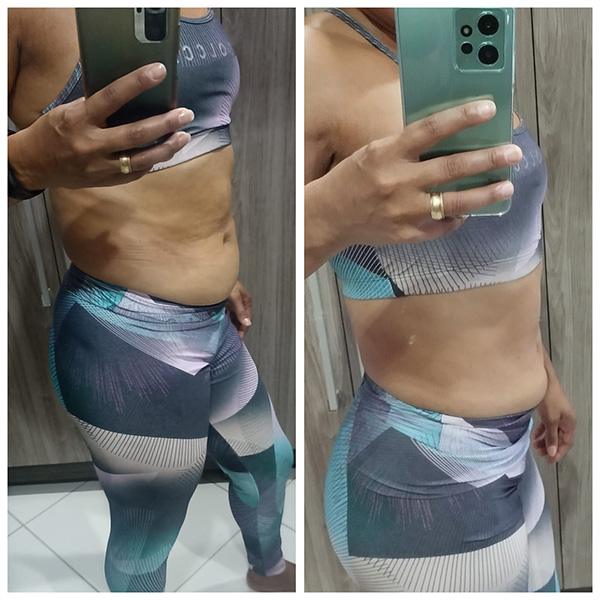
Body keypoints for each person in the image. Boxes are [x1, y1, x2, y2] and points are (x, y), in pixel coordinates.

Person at [8, 7, 294, 593]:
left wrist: (216, 268)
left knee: (271, 461)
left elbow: (198, 160)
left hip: (214, 320)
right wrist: (25, 162)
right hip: (123, 332)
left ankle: (270, 573)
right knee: (150, 530)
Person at [305, 8, 575, 592]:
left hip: (511, 452)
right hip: (419, 477)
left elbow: (507, 258)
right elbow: (273, 249)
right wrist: (330, 212)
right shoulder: (317, 60)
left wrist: (544, 376)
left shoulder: (461, 38)